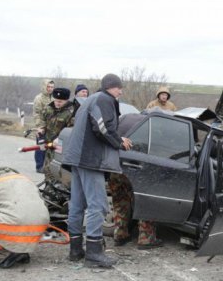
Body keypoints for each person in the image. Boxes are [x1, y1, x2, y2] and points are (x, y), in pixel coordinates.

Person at [62, 73, 132, 267]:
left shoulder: (90, 99)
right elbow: (101, 128)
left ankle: (75, 250)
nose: (120, 90)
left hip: (77, 158)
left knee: (77, 205)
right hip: (90, 160)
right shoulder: (104, 99)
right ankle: (93, 254)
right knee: (98, 205)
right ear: (110, 87)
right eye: (118, 87)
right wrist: (119, 141)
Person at [108, 174, 163, 249]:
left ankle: (120, 235)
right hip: (141, 172)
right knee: (146, 200)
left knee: (121, 203)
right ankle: (146, 239)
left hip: (117, 169)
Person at [38, 87, 75, 180]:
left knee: (58, 171)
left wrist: (60, 138)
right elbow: (42, 119)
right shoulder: (48, 108)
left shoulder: (71, 112)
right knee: (47, 169)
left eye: (61, 101)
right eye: (56, 100)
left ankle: (58, 190)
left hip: (62, 147)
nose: (58, 103)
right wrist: (41, 128)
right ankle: (48, 189)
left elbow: (72, 128)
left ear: (66, 101)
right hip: (49, 144)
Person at [32, 79, 55, 173]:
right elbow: (36, 113)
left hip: (52, 127)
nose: (50, 89)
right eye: (48, 87)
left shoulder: (54, 98)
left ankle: (48, 166)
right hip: (42, 126)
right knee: (41, 147)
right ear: (44, 87)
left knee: (50, 147)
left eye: (52, 87)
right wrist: (39, 126)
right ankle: (39, 166)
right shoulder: (39, 98)